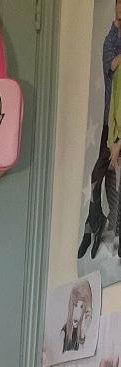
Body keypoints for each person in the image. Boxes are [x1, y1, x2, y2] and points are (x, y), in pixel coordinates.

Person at [78, 0, 121, 261]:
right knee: (102, 174)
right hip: (110, 121)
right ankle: (95, 222)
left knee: (110, 174)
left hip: (118, 125)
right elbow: (111, 65)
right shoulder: (111, 38)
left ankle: (100, 224)